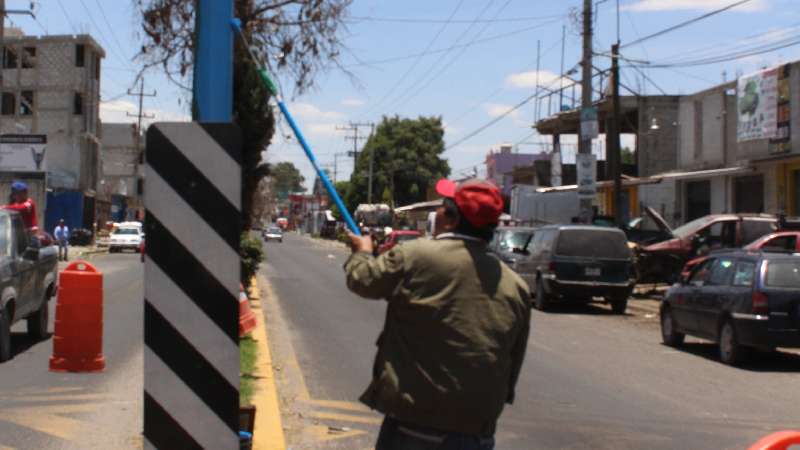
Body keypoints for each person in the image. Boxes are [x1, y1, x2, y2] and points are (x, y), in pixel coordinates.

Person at [344, 179, 531, 450]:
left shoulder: (415, 255)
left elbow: (364, 281)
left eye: (443, 207)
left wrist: (362, 253)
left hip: (415, 424)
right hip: (477, 432)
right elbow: (513, 362)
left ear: (451, 218)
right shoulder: (516, 286)